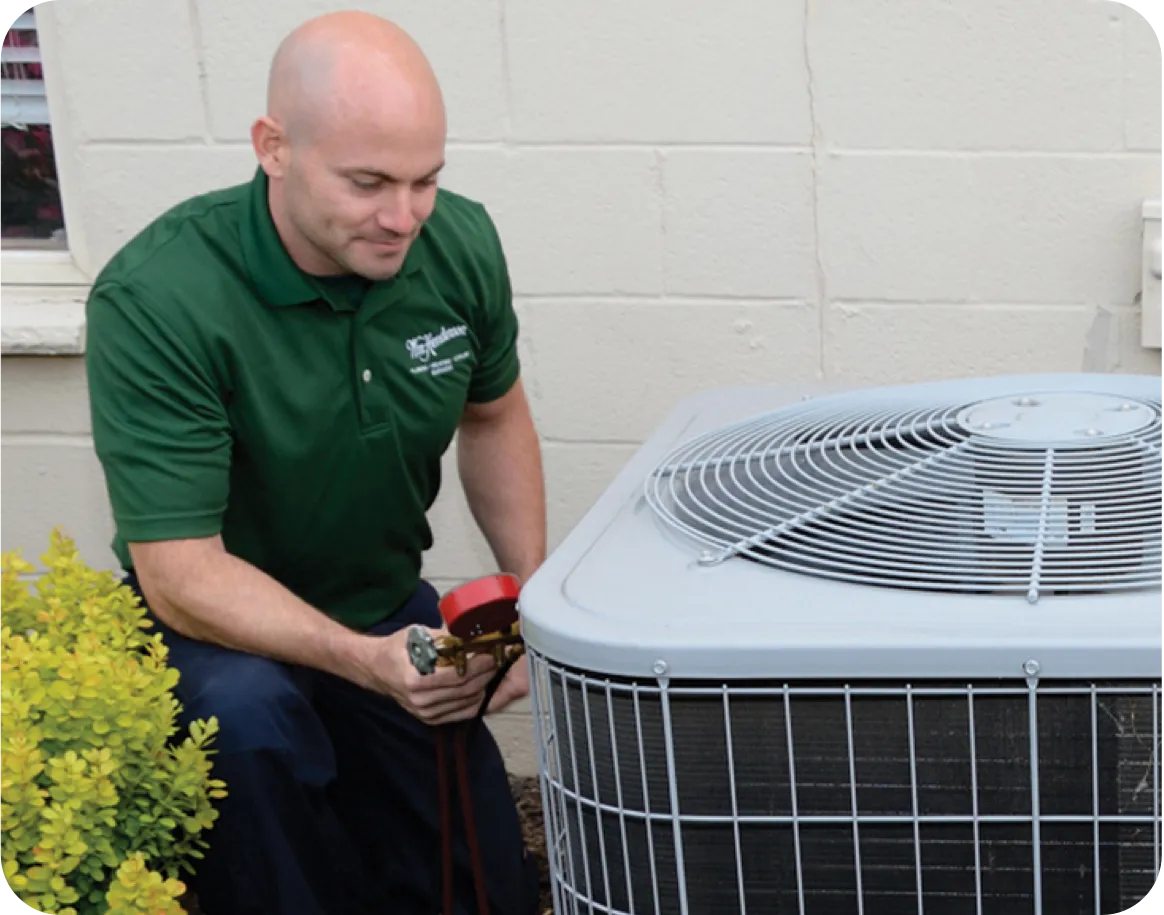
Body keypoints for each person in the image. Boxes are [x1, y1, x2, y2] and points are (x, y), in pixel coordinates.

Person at [83, 10, 546, 915]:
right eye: (368, 182)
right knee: (256, 738)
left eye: (425, 180)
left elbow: (493, 416)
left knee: (482, 877)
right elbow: (179, 574)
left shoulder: (458, 244)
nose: (403, 215)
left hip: (377, 601)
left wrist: (528, 600)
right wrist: (364, 663)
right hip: (209, 638)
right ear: (274, 147)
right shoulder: (160, 298)